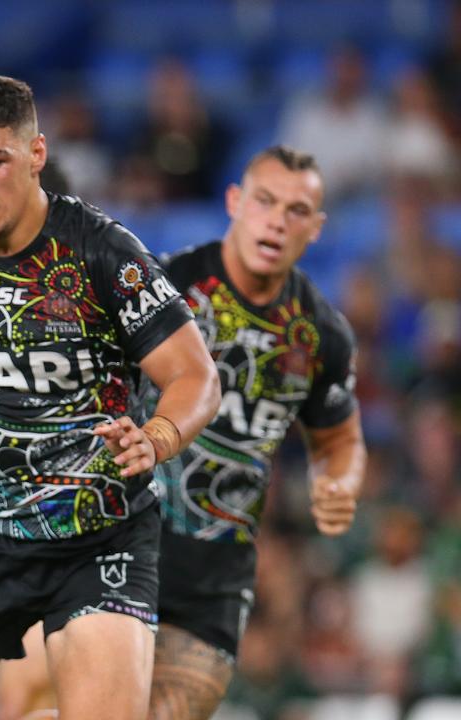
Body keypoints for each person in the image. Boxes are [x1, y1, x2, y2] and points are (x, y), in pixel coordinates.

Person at [0, 75, 220, 720]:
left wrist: (159, 436)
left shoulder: (102, 253)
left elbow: (196, 376)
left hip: (99, 535)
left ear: (36, 155)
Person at [147, 146, 365, 720]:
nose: (277, 219)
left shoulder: (320, 335)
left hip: (216, 571)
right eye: (265, 201)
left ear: (315, 228)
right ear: (235, 201)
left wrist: (338, 482)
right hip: (125, 542)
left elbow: (339, 439)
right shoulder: (166, 288)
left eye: (297, 210)